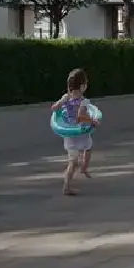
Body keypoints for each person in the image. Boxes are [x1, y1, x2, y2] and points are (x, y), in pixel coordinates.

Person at [50, 68, 99, 196]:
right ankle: (84, 168)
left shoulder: (66, 97)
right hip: (81, 131)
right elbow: (80, 117)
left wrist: (58, 109)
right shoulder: (84, 102)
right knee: (88, 148)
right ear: (83, 86)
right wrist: (92, 121)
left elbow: (54, 108)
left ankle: (67, 186)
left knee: (72, 162)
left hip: (69, 133)